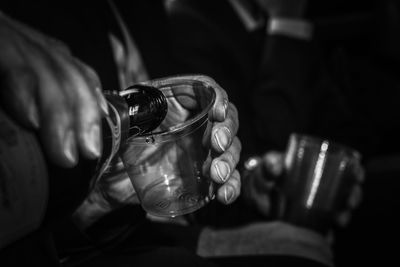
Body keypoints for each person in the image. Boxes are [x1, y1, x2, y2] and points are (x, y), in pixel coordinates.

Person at [0, 1, 354, 267]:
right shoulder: (23, 22)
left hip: (133, 222)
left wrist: (248, 174)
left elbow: (184, 150)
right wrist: (209, 242)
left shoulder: (144, 11)